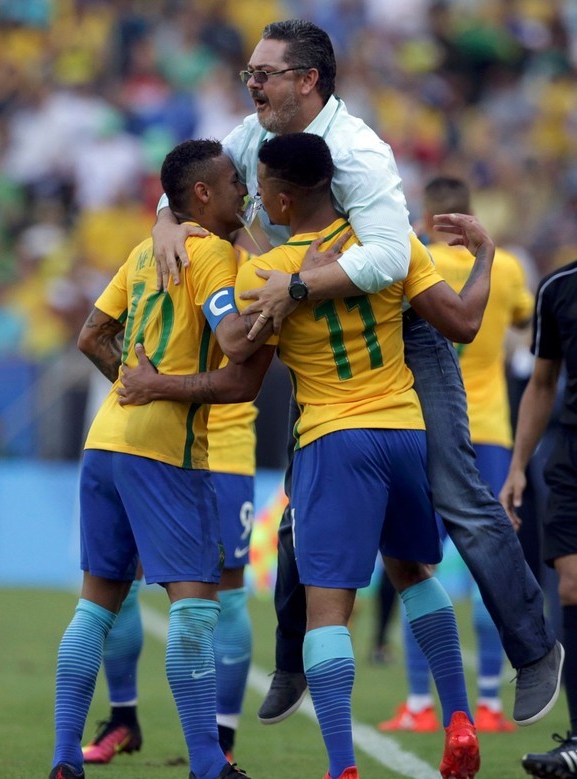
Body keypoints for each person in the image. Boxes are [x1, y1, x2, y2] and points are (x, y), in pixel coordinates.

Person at [151, 19, 561, 731]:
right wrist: (164, 218)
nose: (250, 84)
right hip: (314, 322)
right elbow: (201, 177)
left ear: (307, 81)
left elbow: (388, 260)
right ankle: (291, 660)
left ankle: (533, 651)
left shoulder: (363, 155)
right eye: (249, 72)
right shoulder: (253, 138)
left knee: (459, 494)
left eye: (264, 74)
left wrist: (297, 288)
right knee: (295, 511)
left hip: (395, 329)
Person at [127, 130, 489, 779]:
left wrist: (187, 233)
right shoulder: (388, 243)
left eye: (261, 185)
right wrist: (484, 256)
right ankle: (460, 718)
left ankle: (343, 766)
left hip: (332, 439)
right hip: (406, 431)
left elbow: (238, 354)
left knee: (329, 610)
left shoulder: (263, 273)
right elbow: (462, 320)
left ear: (285, 197)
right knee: (416, 575)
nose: (254, 195)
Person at [47, 138, 275, 779]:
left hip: (105, 442)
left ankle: (66, 758)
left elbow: (90, 333)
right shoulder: (210, 258)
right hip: (164, 454)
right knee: (198, 606)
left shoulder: (145, 250)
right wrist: (283, 306)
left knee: (95, 605)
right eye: (233, 180)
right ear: (202, 193)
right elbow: (234, 345)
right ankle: (209, 762)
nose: (243, 190)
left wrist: (131, 381)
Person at [80, 250, 259, 766]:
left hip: (222, 452)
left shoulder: (244, 262)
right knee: (119, 581)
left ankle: (220, 741)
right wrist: (136, 386)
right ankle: (124, 717)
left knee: (224, 591)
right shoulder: (166, 249)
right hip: (149, 446)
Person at [379, 176, 534, 734]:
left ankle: (420, 704)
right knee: (492, 563)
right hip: (489, 429)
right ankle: (492, 700)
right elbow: (522, 319)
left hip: (424, 426)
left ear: (427, 213)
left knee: (417, 567)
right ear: (467, 216)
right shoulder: (509, 267)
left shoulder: (409, 259)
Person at [499, 260, 577, 778]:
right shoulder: (558, 288)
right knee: (570, 588)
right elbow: (542, 383)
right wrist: (519, 467)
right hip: (572, 457)